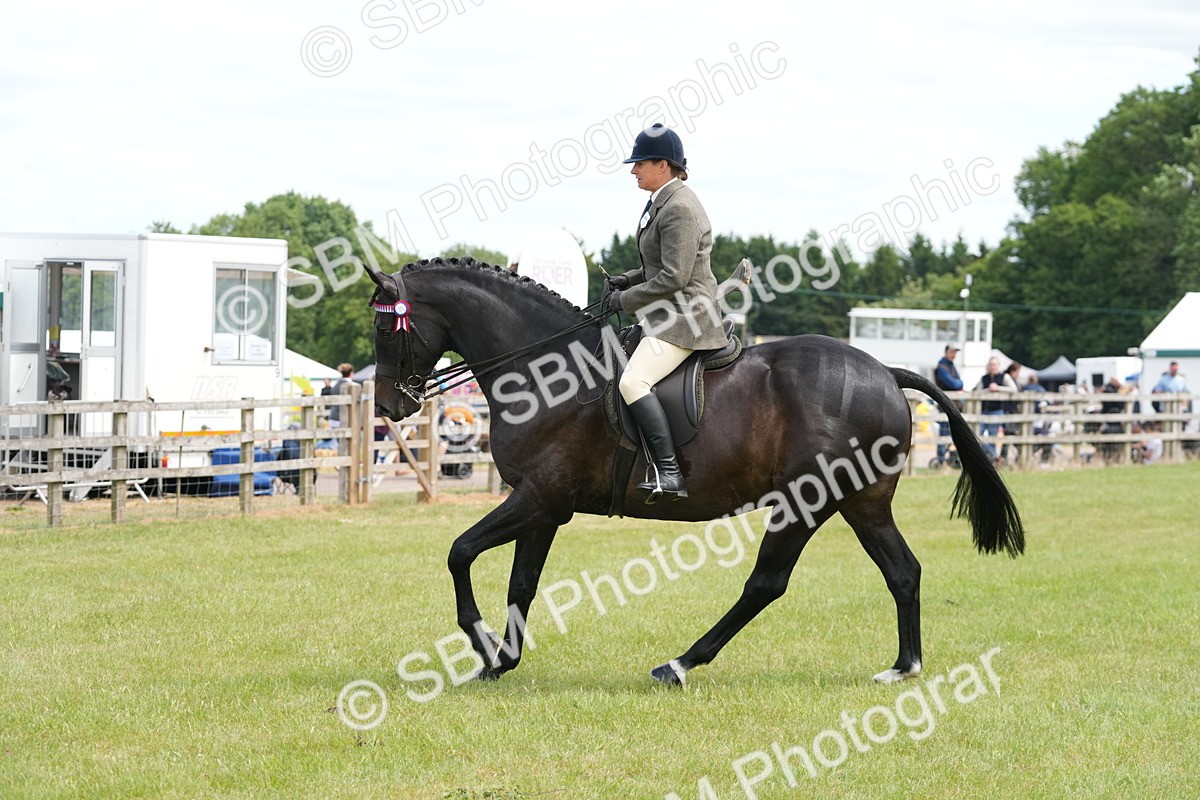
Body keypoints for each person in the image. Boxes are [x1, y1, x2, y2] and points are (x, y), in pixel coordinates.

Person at [605, 123, 726, 502]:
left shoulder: (680, 208)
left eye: (639, 163)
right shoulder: (661, 201)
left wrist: (625, 301)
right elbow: (660, 263)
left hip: (687, 319)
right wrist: (627, 280)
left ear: (663, 165)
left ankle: (669, 472)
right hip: (667, 314)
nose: (633, 170)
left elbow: (675, 276)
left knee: (632, 382)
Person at [973, 356, 1016, 463]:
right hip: (984, 411)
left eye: (995, 364)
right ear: (988, 366)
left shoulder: (1004, 377)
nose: (993, 367)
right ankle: (994, 457)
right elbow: (977, 392)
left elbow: (1014, 389)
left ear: (998, 366)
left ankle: (991, 459)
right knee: (979, 435)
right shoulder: (984, 378)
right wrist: (987, 390)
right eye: (991, 365)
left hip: (997, 410)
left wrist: (998, 388)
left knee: (992, 436)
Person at [933, 344, 963, 466]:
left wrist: (959, 383)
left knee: (949, 432)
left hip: (951, 404)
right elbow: (956, 384)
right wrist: (959, 383)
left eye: (955, 352)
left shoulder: (950, 366)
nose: (954, 355)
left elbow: (958, 383)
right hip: (945, 404)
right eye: (952, 352)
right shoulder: (942, 367)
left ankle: (945, 459)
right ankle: (941, 461)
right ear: (946, 352)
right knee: (944, 432)